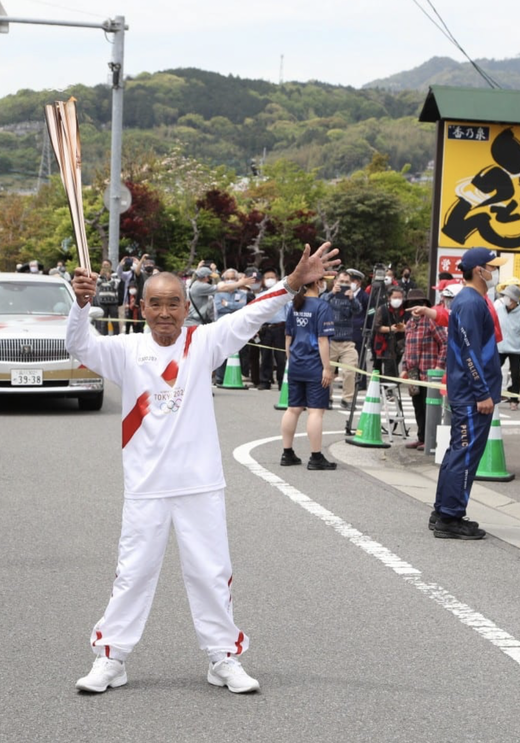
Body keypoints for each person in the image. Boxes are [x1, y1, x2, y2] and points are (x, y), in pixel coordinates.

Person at [66, 242, 341, 694]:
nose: (165, 312)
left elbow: (250, 315)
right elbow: (78, 344)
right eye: (155, 303)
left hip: (200, 484)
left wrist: (292, 283)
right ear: (143, 306)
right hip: (147, 486)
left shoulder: (204, 342)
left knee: (210, 572)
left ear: (184, 307)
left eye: (173, 303)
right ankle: (110, 658)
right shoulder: (125, 350)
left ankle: (222, 658)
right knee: (132, 573)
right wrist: (80, 305)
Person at [430, 246, 505, 540]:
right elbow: (471, 352)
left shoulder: (468, 300)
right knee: (465, 453)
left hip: (465, 390)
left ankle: (443, 510)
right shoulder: (472, 302)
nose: (495, 271)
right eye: (492, 267)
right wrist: (482, 392)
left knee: (457, 451)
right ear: (479, 270)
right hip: (472, 394)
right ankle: (450, 517)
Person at [280, 274, 337, 471]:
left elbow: (288, 337)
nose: (325, 284)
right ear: (317, 282)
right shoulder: (322, 307)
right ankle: (315, 456)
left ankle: (287, 453)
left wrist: (291, 361)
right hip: (314, 366)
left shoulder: (294, 305)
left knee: (293, 409)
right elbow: (323, 341)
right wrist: (327, 369)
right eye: (323, 280)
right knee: (315, 412)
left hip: (295, 363)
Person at [400, 288, 443, 451]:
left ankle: (430, 439)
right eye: (411, 304)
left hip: (429, 372)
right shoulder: (409, 324)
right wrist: (404, 368)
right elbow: (407, 348)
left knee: (429, 407)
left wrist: (440, 365)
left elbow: (444, 343)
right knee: (417, 406)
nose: (415, 308)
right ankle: (421, 437)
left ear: (424, 305)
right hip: (413, 373)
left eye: (418, 304)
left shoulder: (431, 321)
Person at [325, 271, 361, 410]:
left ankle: (347, 399)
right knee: (327, 371)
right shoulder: (328, 296)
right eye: (341, 281)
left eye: (347, 282)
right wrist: (332, 293)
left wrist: (352, 299)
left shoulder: (351, 297)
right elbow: (320, 304)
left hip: (347, 341)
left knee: (350, 370)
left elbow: (358, 310)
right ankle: (326, 398)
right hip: (330, 340)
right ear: (335, 282)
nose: (344, 285)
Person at [212, 269, 250, 385]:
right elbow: (219, 307)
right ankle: (219, 377)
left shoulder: (242, 294)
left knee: (239, 351)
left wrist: (227, 304)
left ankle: (239, 375)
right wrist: (233, 306)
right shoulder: (218, 294)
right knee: (221, 351)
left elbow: (241, 307)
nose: (229, 281)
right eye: (227, 279)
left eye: (232, 279)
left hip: (237, 326)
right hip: (222, 326)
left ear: (237, 280)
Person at [256, 269, 286, 390]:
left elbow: (288, 310)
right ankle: (264, 380)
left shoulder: (283, 294)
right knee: (265, 356)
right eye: (267, 278)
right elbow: (257, 313)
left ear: (277, 279)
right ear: (263, 281)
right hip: (265, 328)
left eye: (272, 277)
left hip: (280, 327)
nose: (270, 280)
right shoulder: (260, 295)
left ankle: (281, 381)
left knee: (281, 357)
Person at [373, 285, 407, 385]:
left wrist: (404, 328)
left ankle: (392, 385)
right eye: (395, 297)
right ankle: (389, 390)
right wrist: (390, 329)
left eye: (400, 298)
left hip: (400, 343)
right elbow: (377, 326)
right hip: (385, 342)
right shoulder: (382, 309)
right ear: (389, 298)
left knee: (395, 365)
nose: (397, 300)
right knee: (389, 367)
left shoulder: (405, 309)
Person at [95, 260, 123, 335]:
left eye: (107, 265)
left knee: (115, 322)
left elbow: (115, 286)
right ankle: (104, 338)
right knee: (103, 323)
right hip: (103, 302)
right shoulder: (99, 275)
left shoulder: (115, 274)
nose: (105, 266)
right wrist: (101, 276)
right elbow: (97, 284)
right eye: (104, 265)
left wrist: (109, 278)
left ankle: (117, 338)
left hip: (113, 302)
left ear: (110, 266)